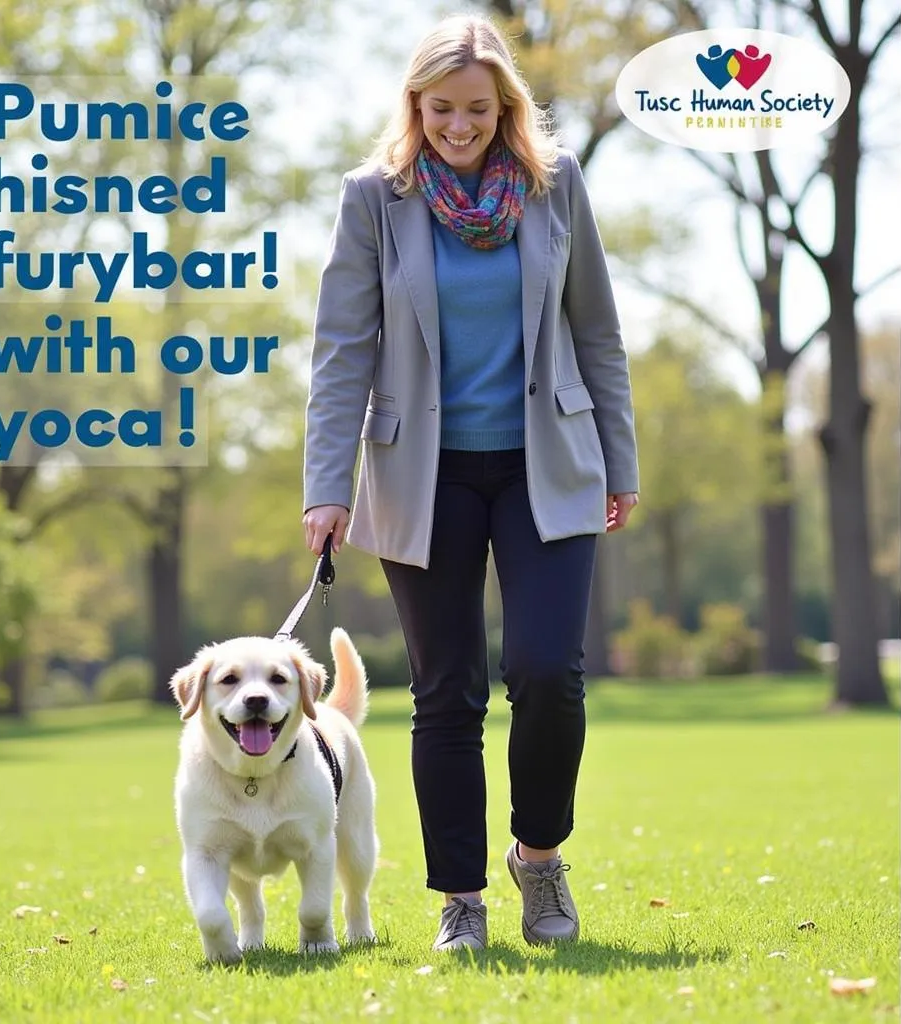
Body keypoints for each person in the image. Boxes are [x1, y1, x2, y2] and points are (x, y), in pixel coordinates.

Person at [301, 13, 639, 952]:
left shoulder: (554, 184)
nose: (459, 125)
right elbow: (341, 352)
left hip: (550, 465)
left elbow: (598, 332)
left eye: (477, 109)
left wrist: (623, 460)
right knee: (447, 691)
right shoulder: (375, 198)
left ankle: (539, 862)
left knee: (546, 672)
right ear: (416, 106)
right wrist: (326, 486)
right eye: (441, 108)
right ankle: (461, 898)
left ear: (506, 107)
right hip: (423, 472)